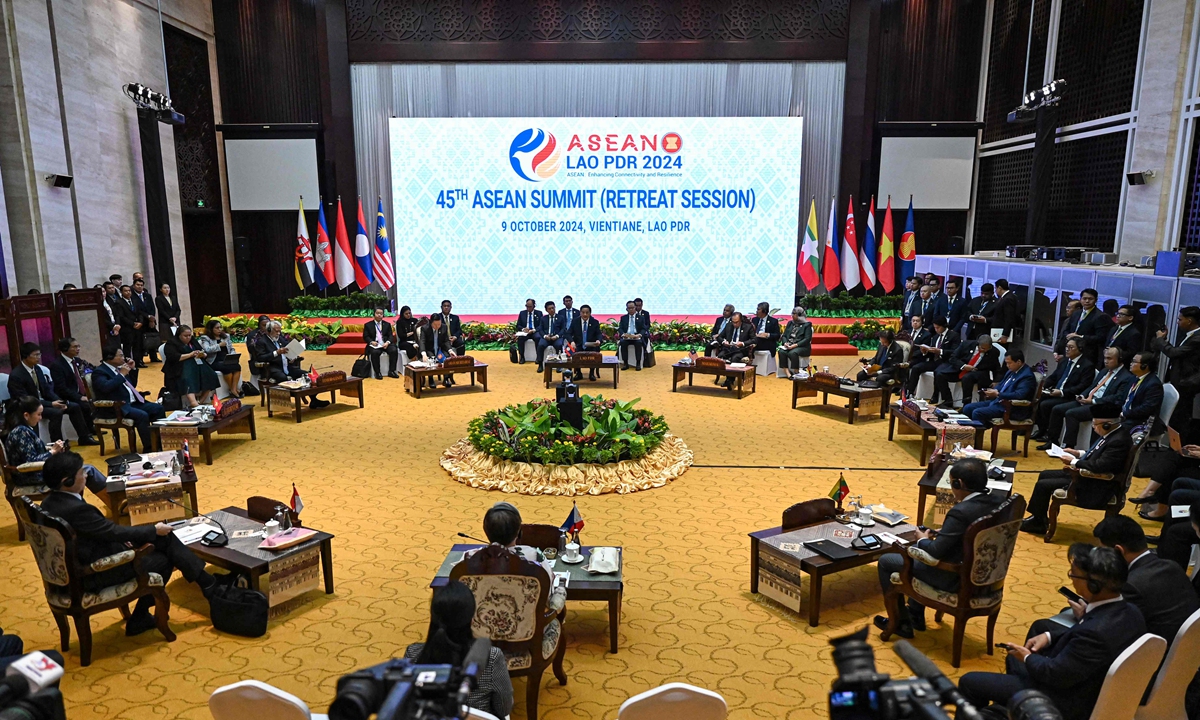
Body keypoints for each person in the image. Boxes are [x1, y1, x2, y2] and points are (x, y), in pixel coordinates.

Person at [959, 545, 1146, 720]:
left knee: (970, 682)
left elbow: (1054, 674)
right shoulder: (1131, 611)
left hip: (1063, 699)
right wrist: (1049, 636)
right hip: (1087, 682)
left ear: (1093, 585)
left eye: (1073, 574)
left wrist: (1026, 657)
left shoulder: (1093, 634)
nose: (1071, 578)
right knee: (1013, 658)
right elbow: (1088, 629)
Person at [40, 451, 217, 636]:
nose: (86, 475)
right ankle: (145, 614)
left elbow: (103, 531)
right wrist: (153, 530)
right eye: (81, 472)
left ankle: (206, 583)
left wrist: (151, 532)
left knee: (162, 538)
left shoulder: (49, 503)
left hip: (73, 567)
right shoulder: (77, 509)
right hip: (92, 573)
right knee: (163, 559)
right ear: (67, 481)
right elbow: (112, 532)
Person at [873, 458, 1002, 639]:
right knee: (919, 557)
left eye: (952, 483)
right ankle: (915, 614)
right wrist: (949, 534)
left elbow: (934, 552)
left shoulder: (961, 511)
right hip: (989, 575)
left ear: (959, 483)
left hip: (956, 577)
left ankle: (901, 623)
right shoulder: (999, 502)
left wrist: (922, 540)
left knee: (888, 560)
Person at [403, 581, 513, 719]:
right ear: (472, 618)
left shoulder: (412, 653)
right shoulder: (490, 657)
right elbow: (504, 708)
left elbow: (407, 702)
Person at [1021, 403, 1132, 535]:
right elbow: (1098, 453)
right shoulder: (1113, 434)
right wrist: (1077, 453)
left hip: (1097, 484)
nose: (1093, 427)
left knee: (1043, 485)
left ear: (1107, 424)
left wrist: (1073, 462)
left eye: (1095, 424)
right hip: (1086, 475)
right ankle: (1039, 518)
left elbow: (1101, 466)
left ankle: (1038, 523)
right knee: (1045, 474)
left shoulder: (1118, 441)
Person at [1093, 516, 1199, 642]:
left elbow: (1114, 631)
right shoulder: (1172, 566)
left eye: (1103, 552)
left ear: (1118, 551)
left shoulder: (1131, 585)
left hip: (1155, 655)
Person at [460, 502, 566, 610]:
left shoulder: (468, 557)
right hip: (528, 626)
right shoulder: (534, 556)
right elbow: (547, 595)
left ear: (485, 530)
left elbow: (459, 595)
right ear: (519, 532)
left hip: (478, 625)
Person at [3, 396, 106, 497]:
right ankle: (113, 500)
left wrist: (54, 450)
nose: (41, 418)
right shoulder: (21, 432)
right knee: (86, 470)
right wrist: (52, 452)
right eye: (38, 414)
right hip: (30, 476)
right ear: (26, 415)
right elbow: (29, 462)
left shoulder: (21, 429)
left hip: (33, 472)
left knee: (83, 468)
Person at [1038, 347, 1135, 450]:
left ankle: (1069, 446)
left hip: (1101, 406)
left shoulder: (1126, 377)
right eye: (1105, 358)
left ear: (1119, 359)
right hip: (1088, 400)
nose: (1106, 361)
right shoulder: (1104, 371)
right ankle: (1052, 441)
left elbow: (1117, 397)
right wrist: (1082, 395)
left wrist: (1093, 401)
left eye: (1109, 358)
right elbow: (1092, 386)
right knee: (1057, 409)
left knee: (1071, 413)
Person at [6, 343, 97, 445]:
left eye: (39, 354)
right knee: (56, 413)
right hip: (28, 406)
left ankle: (84, 437)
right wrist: (51, 404)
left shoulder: (37, 369)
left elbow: (47, 390)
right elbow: (23, 399)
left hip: (43, 402)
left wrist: (58, 401)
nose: (38, 358)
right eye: (35, 355)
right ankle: (58, 443)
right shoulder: (16, 375)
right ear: (26, 356)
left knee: (74, 406)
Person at [91, 344, 165, 453]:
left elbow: (132, 386)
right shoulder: (99, 372)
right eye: (120, 356)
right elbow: (105, 387)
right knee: (142, 415)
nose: (124, 358)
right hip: (117, 407)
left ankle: (158, 443)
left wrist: (132, 369)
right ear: (110, 357)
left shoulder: (120, 369)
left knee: (158, 409)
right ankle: (150, 448)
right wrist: (121, 375)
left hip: (132, 402)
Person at [1151, 305, 1200, 443]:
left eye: (1180, 319)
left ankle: (1180, 447)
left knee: (1182, 416)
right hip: (1179, 379)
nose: (1177, 322)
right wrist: (1164, 341)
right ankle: (1175, 444)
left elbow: (1174, 353)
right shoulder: (1188, 335)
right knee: (1177, 415)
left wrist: (1160, 340)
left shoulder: (1197, 338)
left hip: (1186, 383)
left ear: (1189, 321)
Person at [1033, 338, 1094, 440]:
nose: (1067, 350)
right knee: (1039, 398)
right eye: (1067, 347)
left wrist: (1062, 392)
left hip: (1070, 396)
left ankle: (1051, 436)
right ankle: (1041, 430)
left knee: (1047, 405)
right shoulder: (1064, 361)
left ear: (1080, 349)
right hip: (1057, 392)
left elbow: (1083, 386)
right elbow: (1054, 376)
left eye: (1071, 347)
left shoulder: (1087, 365)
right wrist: (1044, 386)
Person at [961, 349, 1037, 424]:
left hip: (1011, 408)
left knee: (977, 413)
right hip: (998, 402)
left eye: (1009, 363)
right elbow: (1001, 385)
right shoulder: (1011, 371)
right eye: (1006, 363)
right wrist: (990, 391)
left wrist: (998, 394)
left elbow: (1019, 395)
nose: (1007, 366)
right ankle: (969, 433)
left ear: (1019, 362)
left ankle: (978, 435)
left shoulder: (1027, 376)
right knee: (968, 408)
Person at [933, 334, 1001, 409]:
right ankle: (948, 400)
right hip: (962, 368)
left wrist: (996, 381)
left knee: (967, 378)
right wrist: (964, 366)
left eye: (987, 349)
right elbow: (953, 358)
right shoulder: (966, 344)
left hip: (979, 372)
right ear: (978, 344)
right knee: (940, 375)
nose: (985, 350)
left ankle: (966, 404)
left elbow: (997, 368)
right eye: (983, 348)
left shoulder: (994, 352)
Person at [48, 336, 97, 434]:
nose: (77, 349)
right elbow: (61, 388)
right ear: (65, 348)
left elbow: (91, 369)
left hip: (80, 393)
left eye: (78, 346)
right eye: (74, 347)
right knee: (83, 405)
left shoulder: (77, 361)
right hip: (66, 396)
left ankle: (92, 428)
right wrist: (79, 397)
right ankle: (85, 434)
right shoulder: (57, 365)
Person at [164, 325, 218, 409]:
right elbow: (173, 357)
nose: (188, 337)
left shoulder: (192, 340)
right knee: (188, 378)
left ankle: (201, 401)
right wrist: (190, 355)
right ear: (179, 335)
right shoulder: (171, 343)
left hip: (197, 364)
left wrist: (203, 354)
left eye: (189, 335)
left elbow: (201, 350)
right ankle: (193, 402)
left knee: (211, 375)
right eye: (185, 336)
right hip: (179, 366)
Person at [906, 316, 959, 398]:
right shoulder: (935, 337)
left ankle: (937, 396)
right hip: (935, 361)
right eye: (934, 327)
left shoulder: (953, 335)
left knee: (938, 372)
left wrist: (940, 351)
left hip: (946, 361)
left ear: (944, 326)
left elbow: (955, 352)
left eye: (938, 327)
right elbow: (931, 352)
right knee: (916, 368)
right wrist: (925, 352)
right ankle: (910, 392)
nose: (936, 330)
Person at [1063, 289, 1114, 365]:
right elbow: (1066, 330)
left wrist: (1081, 337)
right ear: (1080, 299)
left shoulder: (1100, 316)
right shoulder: (1076, 313)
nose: (1087, 301)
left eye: (1090, 299)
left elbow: (1100, 337)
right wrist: (1068, 337)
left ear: (1096, 300)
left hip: (1087, 353)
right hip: (1071, 351)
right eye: (1084, 298)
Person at [1121, 351, 1164, 433]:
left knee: (1112, 428)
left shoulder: (1153, 384)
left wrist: (1124, 414)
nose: (1131, 363)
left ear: (1144, 366)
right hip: (1127, 416)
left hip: (1140, 421)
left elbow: (1146, 409)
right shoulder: (1134, 378)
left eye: (1134, 361)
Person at [198, 319, 243, 395]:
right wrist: (219, 345)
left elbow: (231, 348)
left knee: (237, 366)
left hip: (226, 359)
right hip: (214, 361)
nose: (219, 330)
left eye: (220, 327)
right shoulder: (206, 338)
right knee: (226, 368)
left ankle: (233, 389)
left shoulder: (226, 336)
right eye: (217, 328)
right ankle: (233, 390)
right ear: (211, 329)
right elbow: (207, 349)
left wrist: (232, 355)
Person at [717, 312, 755, 386]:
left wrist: (743, 343)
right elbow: (719, 337)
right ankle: (727, 377)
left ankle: (730, 380)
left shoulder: (748, 327)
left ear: (741, 320)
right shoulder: (729, 325)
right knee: (720, 356)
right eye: (733, 322)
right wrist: (724, 342)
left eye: (736, 322)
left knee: (735, 358)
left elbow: (754, 340)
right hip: (729, 348)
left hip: (740, 350)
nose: (734, 324)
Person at [113, 285, 148, 368]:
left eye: (129, 290)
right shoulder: (119, 302)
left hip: (138, 328)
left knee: (138, 345)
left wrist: (140, 322)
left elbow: (140, 313)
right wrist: (133, 324)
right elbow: (121, 316)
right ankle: (128, 362)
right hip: (127, 328)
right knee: (128, 346)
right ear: (121, 292)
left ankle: (138, 361)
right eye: (125, 291)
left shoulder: (135, 301)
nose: (128, 292)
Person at [418, 313, 454, 390]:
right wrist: (423, 354)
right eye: (435, 325)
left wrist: (450, 350)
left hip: (440, 350)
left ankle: (446, 378)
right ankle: (431, 379)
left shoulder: (444, 327)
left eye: (439, 324)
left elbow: (446, 341)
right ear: (431, 323)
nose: (438, 326)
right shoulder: (425, 328)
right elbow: (422, 341)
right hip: (429, 350)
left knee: (447, 358)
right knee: (430, 359)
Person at [362, 308, 400, 380]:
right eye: (377, 313)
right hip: (375, 345)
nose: (379, 315)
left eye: (381, 314)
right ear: (374, 314)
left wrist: (387, 342)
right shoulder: (368, 325)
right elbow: (365, 337)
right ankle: (377, 372)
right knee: (375, 352)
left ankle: (391, 371)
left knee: (394, 350)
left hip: (385, 344)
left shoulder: (387, 324)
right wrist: (371, 342)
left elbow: (390, 336)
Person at [568, 304, 603, 381]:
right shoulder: (575, 321)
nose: (585, 314)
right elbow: (568, 333)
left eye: (587, 312)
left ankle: (591, 373)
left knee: (594, 352)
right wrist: (572, 341)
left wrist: (598, 340)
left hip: (591, 345)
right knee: (575, 352)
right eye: (583, 312)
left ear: (590, 313)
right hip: (578, 345)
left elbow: (599, 334)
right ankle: (579, 373)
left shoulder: (595, 322)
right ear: (580, 313)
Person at [777, 307, 813, 376]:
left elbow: (807, 339)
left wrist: (795, 345)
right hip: (789, 344)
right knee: (781, 351)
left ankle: (796, 371)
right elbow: (784, 335)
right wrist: (785, 343)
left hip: (802, 346)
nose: (792, 315)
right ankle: (787, 372)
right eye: (792, 313)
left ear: (799, 315)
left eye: (794, 314)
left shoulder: (807, 324)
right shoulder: (790, 323)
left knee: (793, 353)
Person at [130, 277, 158, 362]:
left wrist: (152, 319)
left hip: (151, 321)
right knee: (140, 341)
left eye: (141, 285)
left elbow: (152, 308)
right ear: (134, 286)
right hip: (141, 321)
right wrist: (148, 317)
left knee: (153, 338)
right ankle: (139, 360)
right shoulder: (132, 296)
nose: (139, 287)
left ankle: (154, 357)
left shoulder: (147, 295)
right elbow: (138, 310)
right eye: (137, 285)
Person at [988, 279, 1021, 343]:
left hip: (1001, 331)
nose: (995, 291)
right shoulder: (1008, 296)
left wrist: (1005, 335)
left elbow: (1009, 317)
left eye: (996, 288)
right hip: (999, 329)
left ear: (1000, 288)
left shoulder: (1008, 299)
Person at [618, 300, 648, 371]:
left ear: (635, 308)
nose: (631, 310)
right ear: (626, 309)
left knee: (638, 343)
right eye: (629, 308)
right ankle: (625, 363)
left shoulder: (640, 318)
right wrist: (623, 334)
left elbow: (643, 329)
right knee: (623, 343)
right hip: (627, 336)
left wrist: (639, 335)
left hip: (636, 336)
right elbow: (620, 328)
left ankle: (638, 363)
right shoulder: (623, 318)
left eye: (632, 308)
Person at [536, 300, 565, 373]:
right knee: (540, 345)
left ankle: (559, 365)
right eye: (550, 309)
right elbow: (540, 329)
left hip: (556, 337)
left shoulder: (560, 317)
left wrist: (557, 336)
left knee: (559, 345)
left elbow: (563, 329)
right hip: (546, 337)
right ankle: (540, 364)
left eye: (553, 308)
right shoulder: (543, 318)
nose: (552, 310)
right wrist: (545, 336)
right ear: (546, 310)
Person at [514, 299, 542, 364]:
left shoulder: (539, 313)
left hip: (534, 331)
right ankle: (522, 357)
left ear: (534, 306)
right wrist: (523, 329)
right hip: (525, 332)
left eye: (530, 306)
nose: (528, 308)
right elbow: (518, 325)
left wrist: (533, 330)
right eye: (527, 306)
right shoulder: (522, 313)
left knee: (538, 338)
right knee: (520, 339)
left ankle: (538, 357)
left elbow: (541, 326)